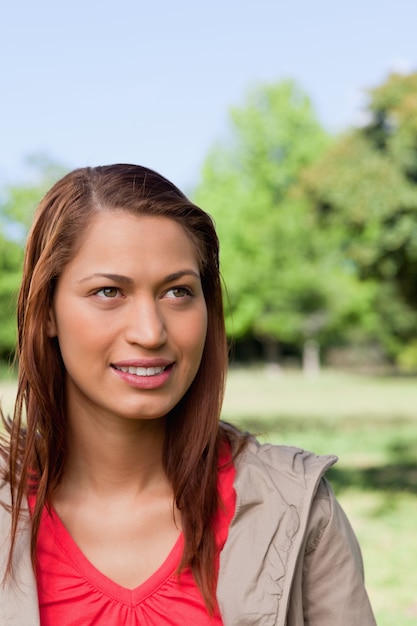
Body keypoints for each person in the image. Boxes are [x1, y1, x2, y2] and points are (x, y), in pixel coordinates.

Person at [0, 164, 376, 625]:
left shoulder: (296, 509)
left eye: (178, 291)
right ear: (48, 312)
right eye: (108, 291)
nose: (150, 331)